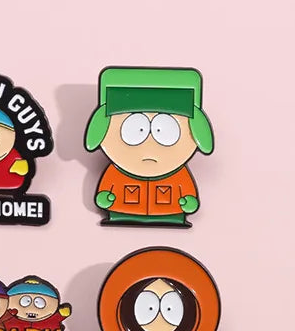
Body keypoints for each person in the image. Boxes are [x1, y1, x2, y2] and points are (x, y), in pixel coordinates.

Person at [84, 67, 213, 226]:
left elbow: (187, 192)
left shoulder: (179, 174)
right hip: (122, 210)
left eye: (165, 133)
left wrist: (188, 201)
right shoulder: (116, 172)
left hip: (170, 212)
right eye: (135, 130)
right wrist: (105, 197)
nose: (149, 147)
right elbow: (106, 190)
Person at [5, 276, 72, 331]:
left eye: (39, 303)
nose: (31, 308)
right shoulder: (9, 317)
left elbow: (56, 318)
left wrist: (61, 314)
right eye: (25, 301)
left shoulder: (49, 318)